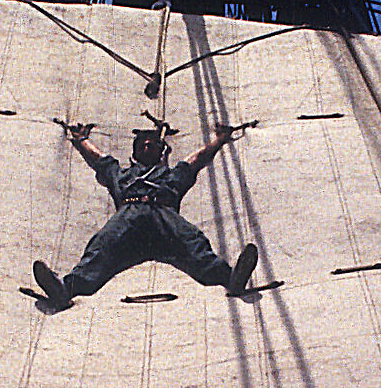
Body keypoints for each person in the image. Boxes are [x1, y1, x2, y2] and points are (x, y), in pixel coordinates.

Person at [33, 122, 258, 308]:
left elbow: (196, 160)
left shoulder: (171, 175)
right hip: (129, 216)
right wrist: (81, 140)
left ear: (161, 152)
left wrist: (219, 140)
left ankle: (231, 278)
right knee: (102, 245)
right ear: (134, 152)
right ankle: (65, 289)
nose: (147, 145)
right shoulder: (121, 175)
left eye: (152, 143)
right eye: (142, 143)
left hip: (164, 215)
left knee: (193, 241)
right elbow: (99, 159)